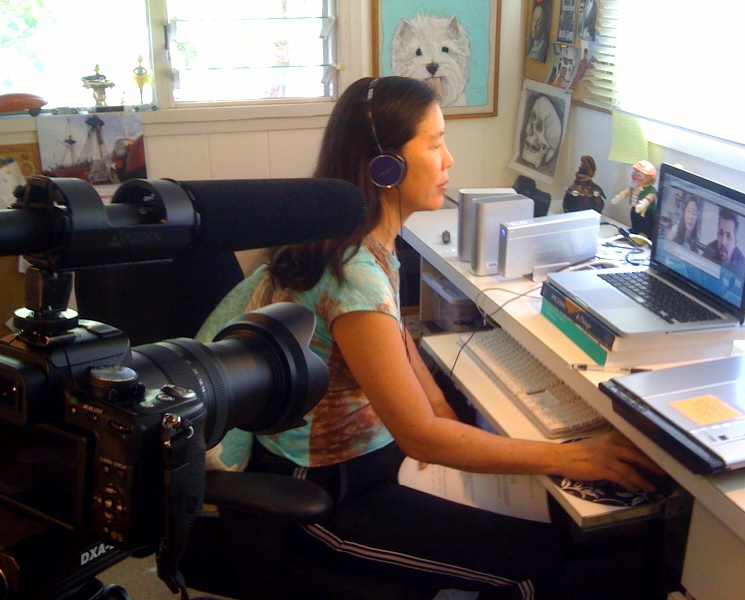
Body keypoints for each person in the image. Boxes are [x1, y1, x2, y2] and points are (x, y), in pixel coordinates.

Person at [198, 76, 663, 598]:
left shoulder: (363, 240)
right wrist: (574, 457)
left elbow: (394, 336)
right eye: (435, 143)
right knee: (536, 567)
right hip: (327, 495)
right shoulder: (354, 275)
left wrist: (444, 407)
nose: (449, 160)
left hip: (368, 459)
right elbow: (419, 435)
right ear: (386, 165)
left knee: (548, 523)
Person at [611, 160, 657, 237]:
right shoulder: (634, 186)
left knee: (645, 223)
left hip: (645, 213)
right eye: (634, 173)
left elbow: (649, 198)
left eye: (639, 175)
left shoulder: (651, 190)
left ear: (649, 179)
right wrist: (619, 197)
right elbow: (627, 192)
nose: (635, 177)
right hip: (634, 208)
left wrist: (643, 204)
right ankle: (634, 231)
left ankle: (644, 235)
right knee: (634, 219)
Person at [703, 207, 745, 277]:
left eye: (728, 236)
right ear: (717, 234)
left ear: (735, 242)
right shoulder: (709, 249)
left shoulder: (741, 268)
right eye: (721, 233)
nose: (723, 242)